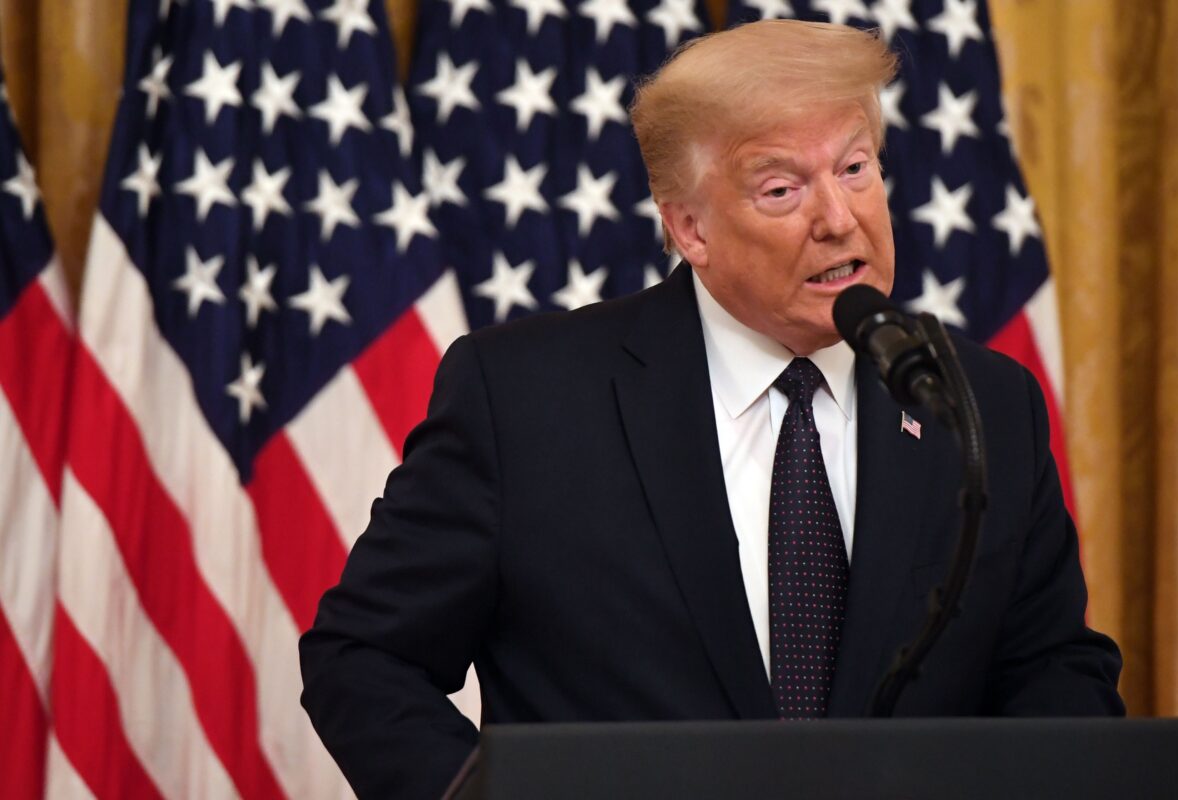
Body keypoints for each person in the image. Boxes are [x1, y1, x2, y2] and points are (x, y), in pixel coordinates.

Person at [299, 20, 1123, 799]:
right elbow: (362, 657)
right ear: (689, 227)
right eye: (781, 188)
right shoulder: (526, 400)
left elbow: (1053, 668)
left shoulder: (982, 406)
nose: (839, 219)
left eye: (856, 168)